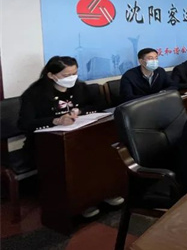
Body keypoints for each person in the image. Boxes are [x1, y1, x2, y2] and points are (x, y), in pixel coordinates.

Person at [18, 56, 122, 217]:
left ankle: (104, 192)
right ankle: (82, 202)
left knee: (104, 151)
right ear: (51, 75)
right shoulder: (35, 94)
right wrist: (56, 120)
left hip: (79, 135)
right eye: (67, 75)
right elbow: (25, 123)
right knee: (79, 159)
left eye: (75, 73)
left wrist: (80, 111)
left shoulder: (79, 87)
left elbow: (100, 104)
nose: (72, 78)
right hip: (45, 144)